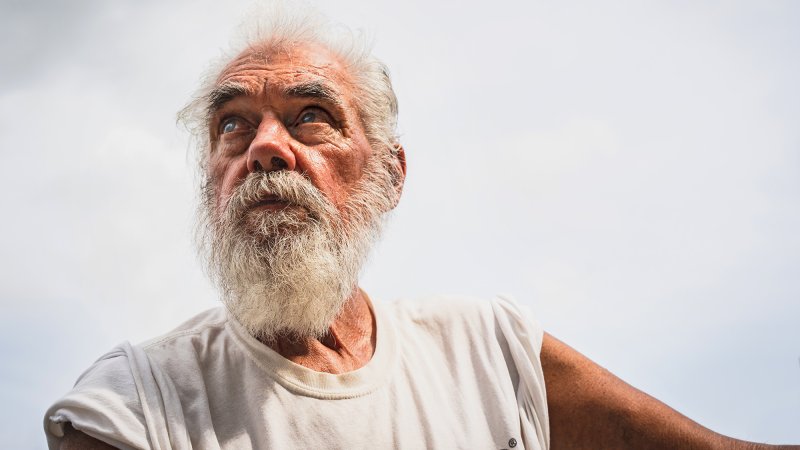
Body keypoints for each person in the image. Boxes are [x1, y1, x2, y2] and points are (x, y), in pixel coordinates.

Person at [44, 8, 797, 450]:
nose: (265, 145)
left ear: (390, 174)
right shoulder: (137, 403)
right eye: (232, 124)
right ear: (211, 178)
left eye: (311, 116)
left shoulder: (490, 348)